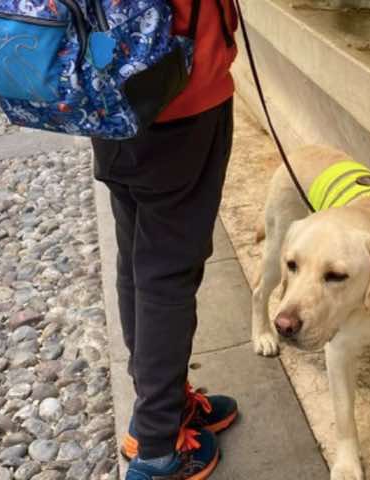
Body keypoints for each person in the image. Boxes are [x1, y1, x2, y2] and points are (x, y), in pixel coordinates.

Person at [91, 0, 239, 478]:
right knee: (167, 274)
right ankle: (156, 448)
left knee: (137, 256)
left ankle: (159, 408)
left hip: (111, 95)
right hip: (180, 96)